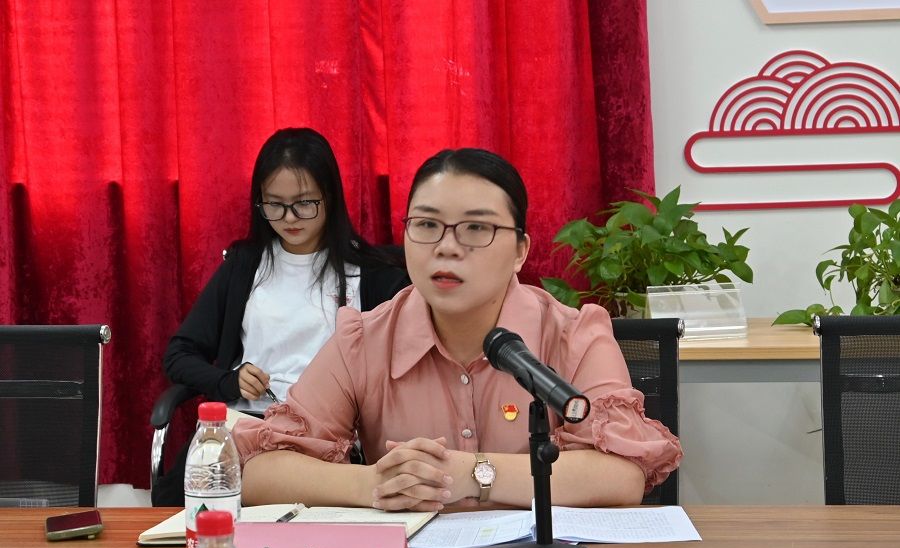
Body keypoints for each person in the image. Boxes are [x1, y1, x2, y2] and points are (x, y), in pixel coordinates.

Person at [233, 148, 682, 510]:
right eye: (427, 225)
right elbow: (261, 471)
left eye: (476, 228)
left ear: (520, 251)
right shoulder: (362, 340)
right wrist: (375, 482)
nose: (447, 247)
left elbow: (620, 474)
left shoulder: (574, 336)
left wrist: (468, 473)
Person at [154, 127, 409, 507]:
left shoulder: (372, 273)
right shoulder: (246, 265)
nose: (289, 218)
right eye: (274, 204)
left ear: (330, 197)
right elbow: (179, 354)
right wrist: (229, 380)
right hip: (248, 427)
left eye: (304, 204)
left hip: (326, 435)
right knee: (192, 507)